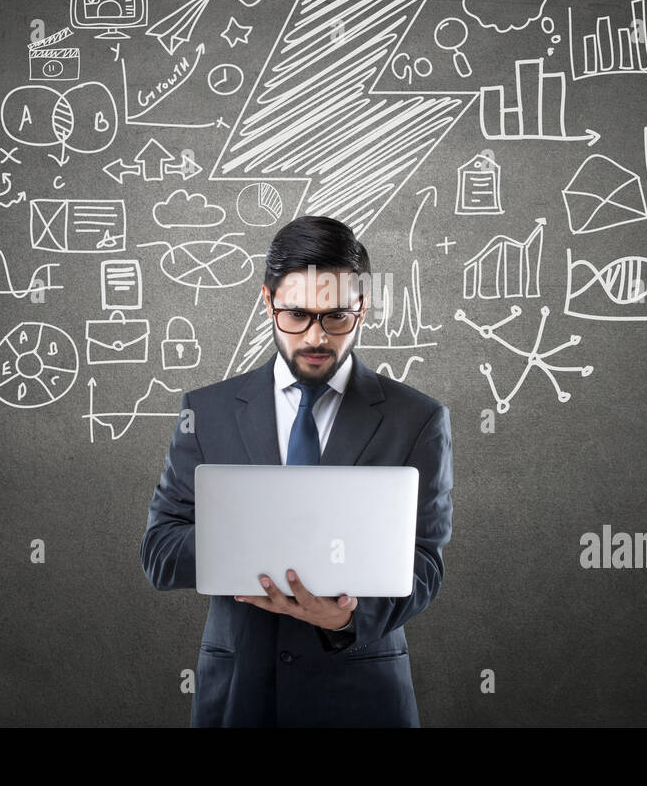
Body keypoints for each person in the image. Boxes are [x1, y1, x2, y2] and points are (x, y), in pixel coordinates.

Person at [141, 215, 454, 727]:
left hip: (361, 695)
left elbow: (425, 562)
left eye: (336, 317)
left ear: (362, 307)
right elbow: (160, 554)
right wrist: (249, 535)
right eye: (296, 314)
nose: (316, 337)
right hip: (240, 694)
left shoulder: (416, 419)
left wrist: (348, 618)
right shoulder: (207, 412)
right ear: (267, 301)